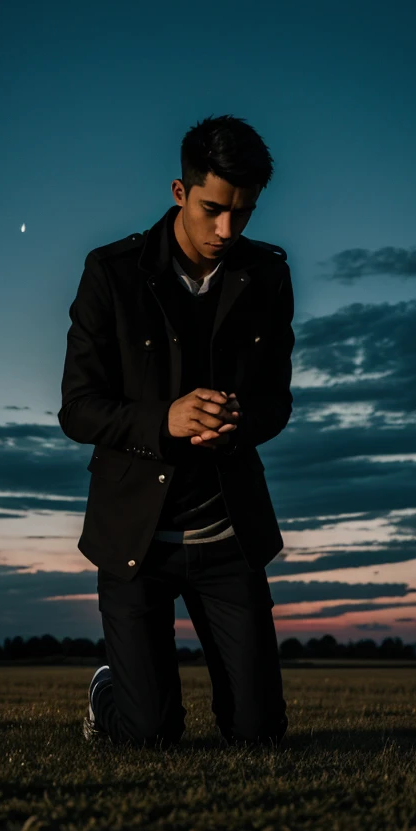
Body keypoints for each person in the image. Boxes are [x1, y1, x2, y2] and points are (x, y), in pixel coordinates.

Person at [57, 113, 295, 749]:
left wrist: (241, 424)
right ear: (179, 192)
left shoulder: (269, 274)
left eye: (243, 213)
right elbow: (77, 408)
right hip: (137, 540)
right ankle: (110, 689)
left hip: (228, 535)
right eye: (213, 208)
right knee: (149, 734)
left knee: (258, 732)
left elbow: (278, 400)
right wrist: (163, 420)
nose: (227, 230)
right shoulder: (110, 273)